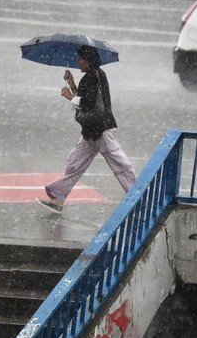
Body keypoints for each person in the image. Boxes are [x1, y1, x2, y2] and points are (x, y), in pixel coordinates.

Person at [36, 45, 137, 214]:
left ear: (88, 60)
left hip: (102, 130)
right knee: (74, 163)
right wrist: (72, 83)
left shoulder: (94, 76)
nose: (78, 61)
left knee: (121, 165)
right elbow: (85, 99)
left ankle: (138, 198)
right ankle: (58, 197)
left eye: (80, 58)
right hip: (91, 131)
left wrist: (69, 96)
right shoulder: (91, 76)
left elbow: (88, 103)